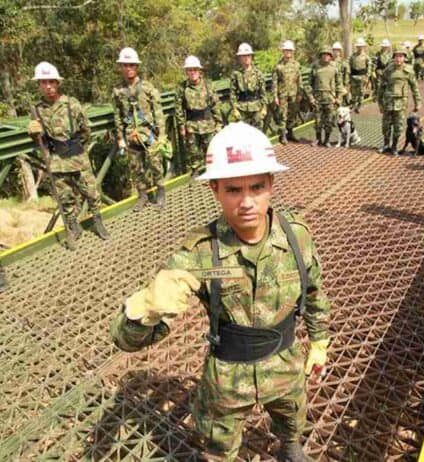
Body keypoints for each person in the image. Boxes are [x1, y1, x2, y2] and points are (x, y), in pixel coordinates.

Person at [110, 122, 331, 462]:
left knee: (292, 419)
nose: (246, 202)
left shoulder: (296, 236)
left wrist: (319, 341)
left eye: (256, 187)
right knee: (218, 448)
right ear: (215, 189)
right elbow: (125, 341)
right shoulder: (199, 253)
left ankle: (289, 445)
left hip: (285, 363)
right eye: (233, 190)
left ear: (271, 184)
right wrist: (144, 311)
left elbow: (314, 291)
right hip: (227, 377)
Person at [27, 62, 109, 244]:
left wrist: (77, 147)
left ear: (57, 83)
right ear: (39, 85)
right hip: (56, 159)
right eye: (43, 82)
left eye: (51, 82)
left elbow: (86, 130)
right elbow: (39, 139)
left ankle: (97, 222)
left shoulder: (71, 104)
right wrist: (33, 133)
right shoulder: (37, 110)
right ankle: (74, 226)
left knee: (92, 192)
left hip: (77, 155)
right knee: (65, 197)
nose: (48, 86)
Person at [112, 47, 168, 212]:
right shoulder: (118, 91)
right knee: (136, 168)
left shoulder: (148, 87)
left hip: (148, 133)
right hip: (131, 135)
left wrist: (162, 135)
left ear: (137, 67)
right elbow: (118, 116)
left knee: (155, 163)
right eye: (125, 65)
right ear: (121, 67)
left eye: (132, 65)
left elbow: (158, 112)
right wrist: (120, 138)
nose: (129, 68)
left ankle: (160, 192)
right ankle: (142, 195)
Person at [175, 55, 223, 175]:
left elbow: (215, 104)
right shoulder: (182, 88)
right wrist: (181, 126)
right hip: (192, 125)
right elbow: (179, 108)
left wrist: (219, 123)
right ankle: (195, 171)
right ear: (186, 72)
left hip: (208, 124)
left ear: (199, 70)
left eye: (195, 69)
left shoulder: (208, 85)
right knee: (193, 151)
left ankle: (212, 171)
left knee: (211, 150)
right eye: (190, 70)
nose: (192, 73)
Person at [377, 46, 421, 155]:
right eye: (396, 56)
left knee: (398, 126)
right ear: (393, 57)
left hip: (401, 103)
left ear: (404, 58)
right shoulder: (388, 69)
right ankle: (386, 144)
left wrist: (418, 102)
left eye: (401, 56)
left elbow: (414, 87)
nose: (398, 59)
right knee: (386, 125)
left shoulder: (408, 71)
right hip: (388, 102)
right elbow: (381, 87)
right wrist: (380, 104)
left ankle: (394, 146)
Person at [307, 47, 342, 147]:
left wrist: (339, 98)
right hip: (318, 98)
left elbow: (339, 84)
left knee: (329, 120)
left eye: (328, 54)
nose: (326, 56)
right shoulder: (315, 68)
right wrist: (311, 97)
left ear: (330, 56)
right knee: (318, 121)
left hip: (330, 98)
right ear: (321, 56)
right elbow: (309, 84)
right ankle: (318, 139)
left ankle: (327, 140)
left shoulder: (334, 68)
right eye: (324, 54)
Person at [272, 40, 303, 145]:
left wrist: (300, 93)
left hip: (294, 93)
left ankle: (290, 133)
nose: (288, 52)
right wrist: (275, 96)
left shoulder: (297, 64)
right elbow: (274, 82)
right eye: (286, 50)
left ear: (292, 51)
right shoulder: (278, 66)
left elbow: (300, 80)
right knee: (282, 114)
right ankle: (283, 135)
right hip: (283, 94)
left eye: (290, 50)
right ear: (283, 51)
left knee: (293, 114)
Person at [230, 43, 267, 129]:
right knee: (244, 136)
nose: (246, 58)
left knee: (258, 135)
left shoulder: (258, 73)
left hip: (256, 108)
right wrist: (234, 109)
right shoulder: (236, 74)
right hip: (242, 109)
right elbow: (232, 94)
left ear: (251, 56)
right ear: (240, 58)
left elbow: (263, 92)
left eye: (248, 55)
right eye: (243, 56)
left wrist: (264, 108)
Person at [348, 37, 371, 113]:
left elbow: (369, 67)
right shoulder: (352, 56)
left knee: (361, 93)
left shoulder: (366, 57)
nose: (359, 48)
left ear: (363, 47)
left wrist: (367, 76)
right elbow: (349, 65)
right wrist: (349, 76)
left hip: (362, 77)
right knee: (353, 93)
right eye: (358, 47)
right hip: (354, 77)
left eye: (361, 46)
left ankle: (359, 106)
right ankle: (353, 105)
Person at [332, 41, 351, 107]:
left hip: (340, 86)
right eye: (334, 50)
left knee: (340, 103)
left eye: (338, 50)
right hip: (331, 86)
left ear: (340, 51)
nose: (336, 52)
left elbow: (346, 74)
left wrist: (345, 86)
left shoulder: (343, 62)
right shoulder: (329, 62)